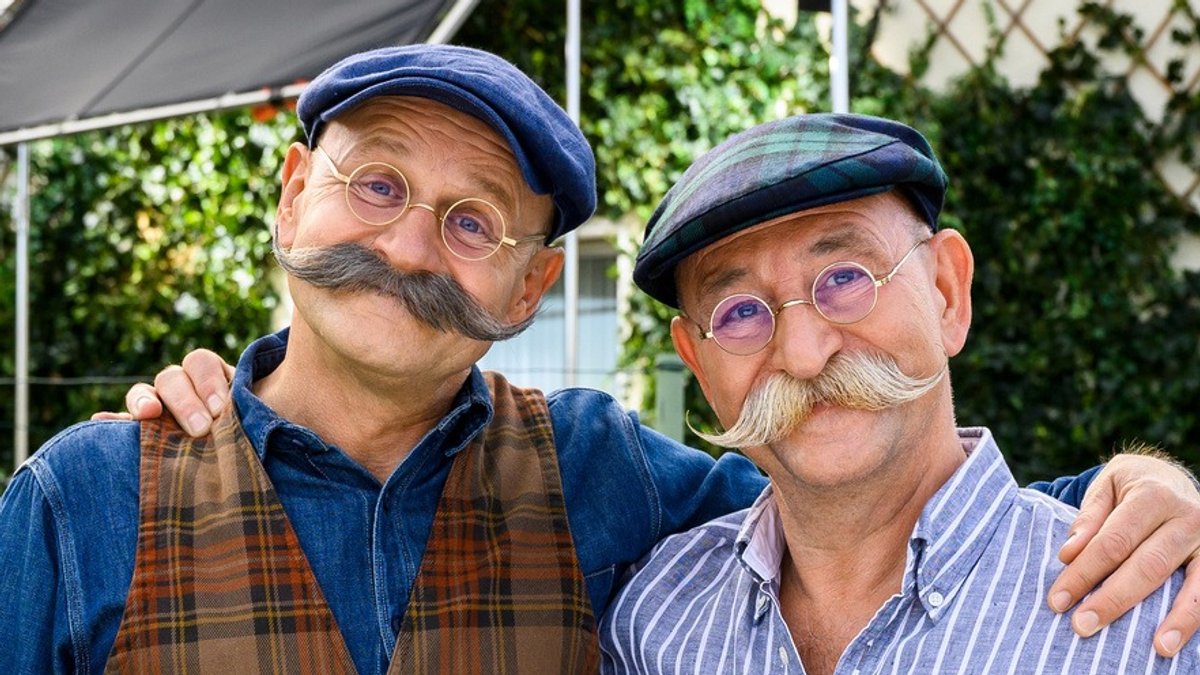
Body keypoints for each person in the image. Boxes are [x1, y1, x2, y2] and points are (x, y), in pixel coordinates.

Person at [24, 45, 1192, 673]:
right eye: (375, 184)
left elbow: (856, 493)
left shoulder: (602, 479)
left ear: (531, 286)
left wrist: (1128, 497)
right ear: (293, 200)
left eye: (475, 222)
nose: (409, 246)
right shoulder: (85, 498)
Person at [598, 113, 1200, 673]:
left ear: (946, 292)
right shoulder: (651, 627)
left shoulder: (1160, 623)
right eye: (739, 314)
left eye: (844, 278)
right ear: (699, 366)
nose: (805, 356)